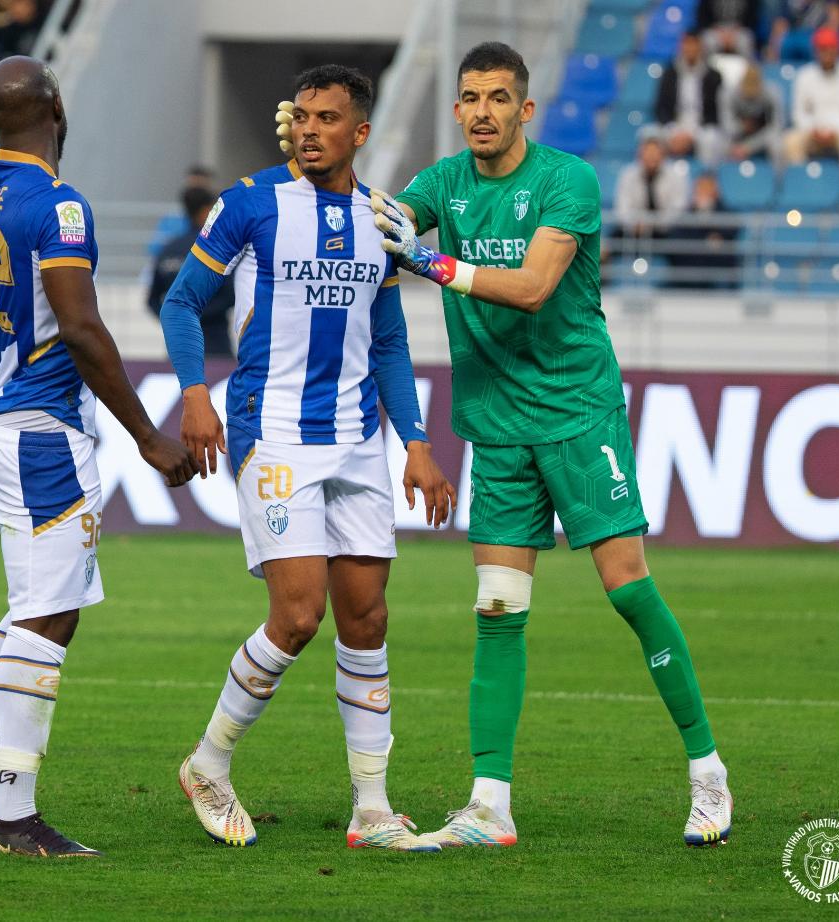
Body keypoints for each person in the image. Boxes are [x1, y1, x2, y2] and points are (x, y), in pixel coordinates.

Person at [351, 41, 731, 848]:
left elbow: (530, 288)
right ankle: (490, 805)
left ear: (525, 109)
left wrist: (431, 262)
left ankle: (707, 773)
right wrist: (328, 181)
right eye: (469, 98)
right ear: (455, 111)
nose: (482, 111)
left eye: (498, 98)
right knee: (497, 610)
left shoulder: (567, 181)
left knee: (628, 589)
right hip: (498, 428)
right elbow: (372, 219)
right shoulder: (443, 184)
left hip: (575, 414)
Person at [0, 55, 197, 858]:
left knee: (30, 604)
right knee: (50, 615)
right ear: (56, 109)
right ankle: (13, 815)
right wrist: (149, 436)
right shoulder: (61, 207)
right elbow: (81, 328)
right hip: (40, 431)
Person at [163, 64, 455, 852]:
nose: (311, 129)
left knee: (367, 618)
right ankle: (210, 763)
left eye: (330, 119)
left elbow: (388, 338)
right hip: (276, 431)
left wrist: (417, 444)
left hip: (359, 437)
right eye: (305, 116)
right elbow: (183, 301)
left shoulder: (383, 218)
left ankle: (371, 808)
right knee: (298, 616)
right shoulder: (252, 203)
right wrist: (195, 394)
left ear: (360, 132)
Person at [148, 185, 235, 357]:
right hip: (216, 346)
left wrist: (177, 316)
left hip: (178, 346)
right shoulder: (218, 248)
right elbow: (231, 295)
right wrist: (196, 314)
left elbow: (152, 300)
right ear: (206, 210)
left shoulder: (168, 249)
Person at [783, 27, 839, 178]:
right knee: (790, 141)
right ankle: (801, 184)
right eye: (823, 49)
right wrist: (814, 129)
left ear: (838, 50)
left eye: (831, 49)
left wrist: (838, 128)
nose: (827, 54)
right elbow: (798, 111)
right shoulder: (805, 75)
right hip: (814, 130)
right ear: (816, 51)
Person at [653, 31, 725, 164]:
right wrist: (674, 130)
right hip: (674, 126)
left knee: (711, 139)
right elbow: (661, 108)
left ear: (700, 47)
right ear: (681, 47)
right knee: (649, 135)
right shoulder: (670, 74)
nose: (690, 48)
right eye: (687, 44)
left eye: (694, 44)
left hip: (701, 128)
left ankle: (706, 177)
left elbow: (716, 111)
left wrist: (691, 135)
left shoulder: (713, 76)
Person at [669, 172, 740, 288]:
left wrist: (715, 234)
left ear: (716, 191)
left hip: (716, 262)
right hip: (690, 264)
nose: (703, 191)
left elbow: (733, 229)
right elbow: (677, 235)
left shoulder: (725, 212)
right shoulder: (687, 213)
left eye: (707, 188)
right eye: (700, 187)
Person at [614, 136, 689, 243]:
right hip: (635, 229)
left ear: (662, 155)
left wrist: (653, 223)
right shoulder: (628, 174)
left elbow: (678, 209)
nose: (651, 157)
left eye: (655, 153)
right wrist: (634, 224)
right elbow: (622, 209)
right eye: (648, 153)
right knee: (609, 243)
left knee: (680, 240)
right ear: (640, 155)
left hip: (666, 230)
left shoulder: (675, 176)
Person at [723, 63, 784, 162]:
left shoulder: (772, 93)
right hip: (736, 137)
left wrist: (749, 147)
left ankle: (778, 177)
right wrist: (742, 127)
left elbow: (777, 127)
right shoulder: (729, 93)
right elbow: (726, 126)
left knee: (777, 143)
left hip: (762, 137)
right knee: (715, 141)